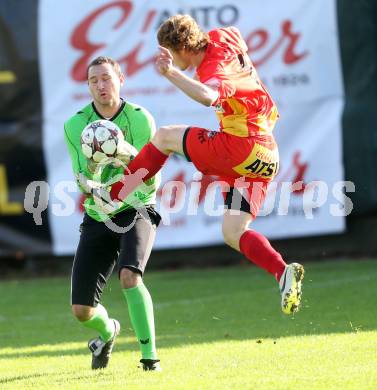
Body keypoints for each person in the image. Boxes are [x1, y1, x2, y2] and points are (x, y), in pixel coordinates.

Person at [110, 15, 304, 315]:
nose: (170, 58)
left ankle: (115, 195)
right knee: (233, 231)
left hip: (240, 146)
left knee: (165, 137)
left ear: (182, 49)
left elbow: (209, 95)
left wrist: (171, 73)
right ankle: (282, 271)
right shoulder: (222, 36)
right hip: (265, 154)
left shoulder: (212, 69)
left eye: (171, 52)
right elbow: (237, 35)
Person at [64, 56, 161, 371]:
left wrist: (124, 160)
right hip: (98, 214)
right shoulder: (75, 125)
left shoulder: (140, 119)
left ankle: (149, 360)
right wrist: (96, 189)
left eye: (106, 78)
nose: (100, 85)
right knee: (81, 311)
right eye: (94, 80)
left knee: (130, 277)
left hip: (137, 206)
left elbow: (151, 174)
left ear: (121, 79)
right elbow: (81, 178)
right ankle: (108, 332)